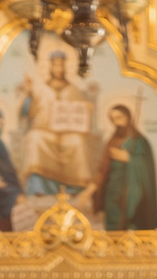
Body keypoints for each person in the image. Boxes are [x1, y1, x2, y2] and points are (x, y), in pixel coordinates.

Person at [17, 49, 101, 202]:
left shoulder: (73, 89)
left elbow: (80, 114)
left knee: (78, 143)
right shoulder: (40, 89)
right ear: (50, 67)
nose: (58, 69)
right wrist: (29, 93)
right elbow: (27, 113)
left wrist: (85, 111)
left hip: (67, 133)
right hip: (45, 131)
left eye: (61, 65)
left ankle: (75, 189)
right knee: (34, 139)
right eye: (55, 65)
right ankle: (40, 189)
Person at [97, 101, 157, 231]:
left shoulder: (140, 141)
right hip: (112, 190)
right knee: (112, 222)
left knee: (129, 219)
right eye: (113, 119)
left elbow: (146, 165)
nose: (116, 122)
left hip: (131, 188)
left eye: (119, 118)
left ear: (128, 117)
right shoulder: (112, 140)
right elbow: (104, 168)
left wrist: (129, 158)